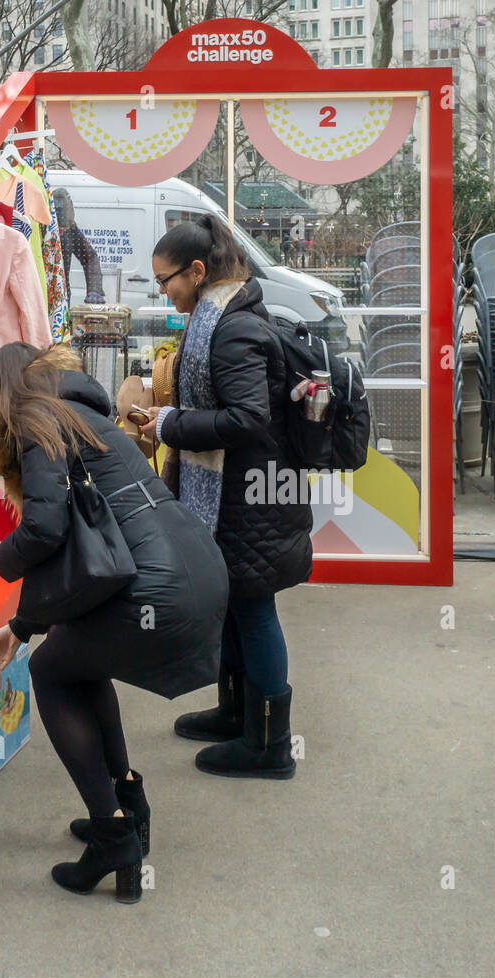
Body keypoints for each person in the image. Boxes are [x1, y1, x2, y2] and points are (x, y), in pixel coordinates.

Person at [0, 342, 229, 901]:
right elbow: (79, 536)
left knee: (52, 672)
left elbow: (46, 529)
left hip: (157, 587)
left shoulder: (38, 422)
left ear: (8, 394)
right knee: (79, 661)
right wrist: (23, 622)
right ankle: (126, 805)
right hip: (195, 567)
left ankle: (113, 834)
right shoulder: (79, 412)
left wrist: (0, 564)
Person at [137, 214, 312, 779]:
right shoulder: (219, 315)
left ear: (196, 271)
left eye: (167, 281)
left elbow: (247, 417)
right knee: (235, 604)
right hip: (237, 491)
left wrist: (169, 423)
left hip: (250, 496)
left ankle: (269, 745)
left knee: (255, 609)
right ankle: (237, 713)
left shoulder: (232, 328)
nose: (164, 292)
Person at [52, 189, 105, 305]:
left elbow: (90, 258)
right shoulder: (38, 228)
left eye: (64, 230)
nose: (61, 233)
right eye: (59, 230)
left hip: (63, 299)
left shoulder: (70, 232)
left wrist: (94, 289)